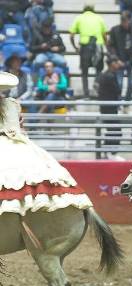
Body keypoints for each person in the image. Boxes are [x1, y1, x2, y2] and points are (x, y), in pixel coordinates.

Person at [0, 72, 93, 218]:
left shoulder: (13, 104)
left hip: (9, 142)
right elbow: (21, 127)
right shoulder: (13, 104)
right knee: (41, 169)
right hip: (18, 141)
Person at [69, 4, 107, 98]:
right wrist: (105, 46)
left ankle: (86, 94)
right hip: (98, 45)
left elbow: (71, 35)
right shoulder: (99, 18)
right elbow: (105, 35)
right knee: (99, 69)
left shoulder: (79, 18)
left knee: (84, 72)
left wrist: (75, 47)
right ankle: (97, 86)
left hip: (85, 46)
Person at [107, 11, 132, 100]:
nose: (124, 22)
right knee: (119, 83)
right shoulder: (115, 30)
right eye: (122, 20)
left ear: (130, 20)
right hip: (119, 60)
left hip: (131, 61)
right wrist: (116, 59)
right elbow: (111, 46)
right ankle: (118, 101)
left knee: (131, 84)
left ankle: (127, 101)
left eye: (125, 20)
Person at [97, 56, 124, 149]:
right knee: (115, 130)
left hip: (108, 106)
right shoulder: (109, 76)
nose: (118, 64)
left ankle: (106, 149)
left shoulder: (106, 74)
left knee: (113, 130)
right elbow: (117, 90)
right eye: (116, 62)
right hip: (109, 107)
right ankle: (109, 150)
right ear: (112, 64)